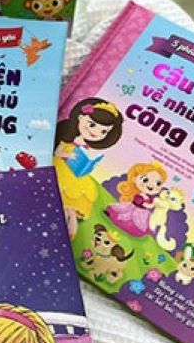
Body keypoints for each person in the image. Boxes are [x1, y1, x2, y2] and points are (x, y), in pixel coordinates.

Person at [53, 98, 124, 239]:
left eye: (103, 131)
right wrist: (68, 155)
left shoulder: (85, 146)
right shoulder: (68, 138)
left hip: (76, 175)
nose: (95, 132)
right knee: (63, 201)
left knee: (72, 209)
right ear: (80, 118)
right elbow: (57, 152)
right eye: (91, 125)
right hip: (61, 168)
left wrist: (90, 165)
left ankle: (70, 233)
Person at [106, 162, 168, 238]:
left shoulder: (149, 198)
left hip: (143, 213)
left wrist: (154, 204)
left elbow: (150, 205)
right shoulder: (139, 195)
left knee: (141, 224)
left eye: (158, 183)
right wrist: (149, 204)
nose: (151, 185)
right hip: (134, 209)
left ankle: (134, 231)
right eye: (145, 180)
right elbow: (139, 201)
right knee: (125, 215)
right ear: (134, 179)